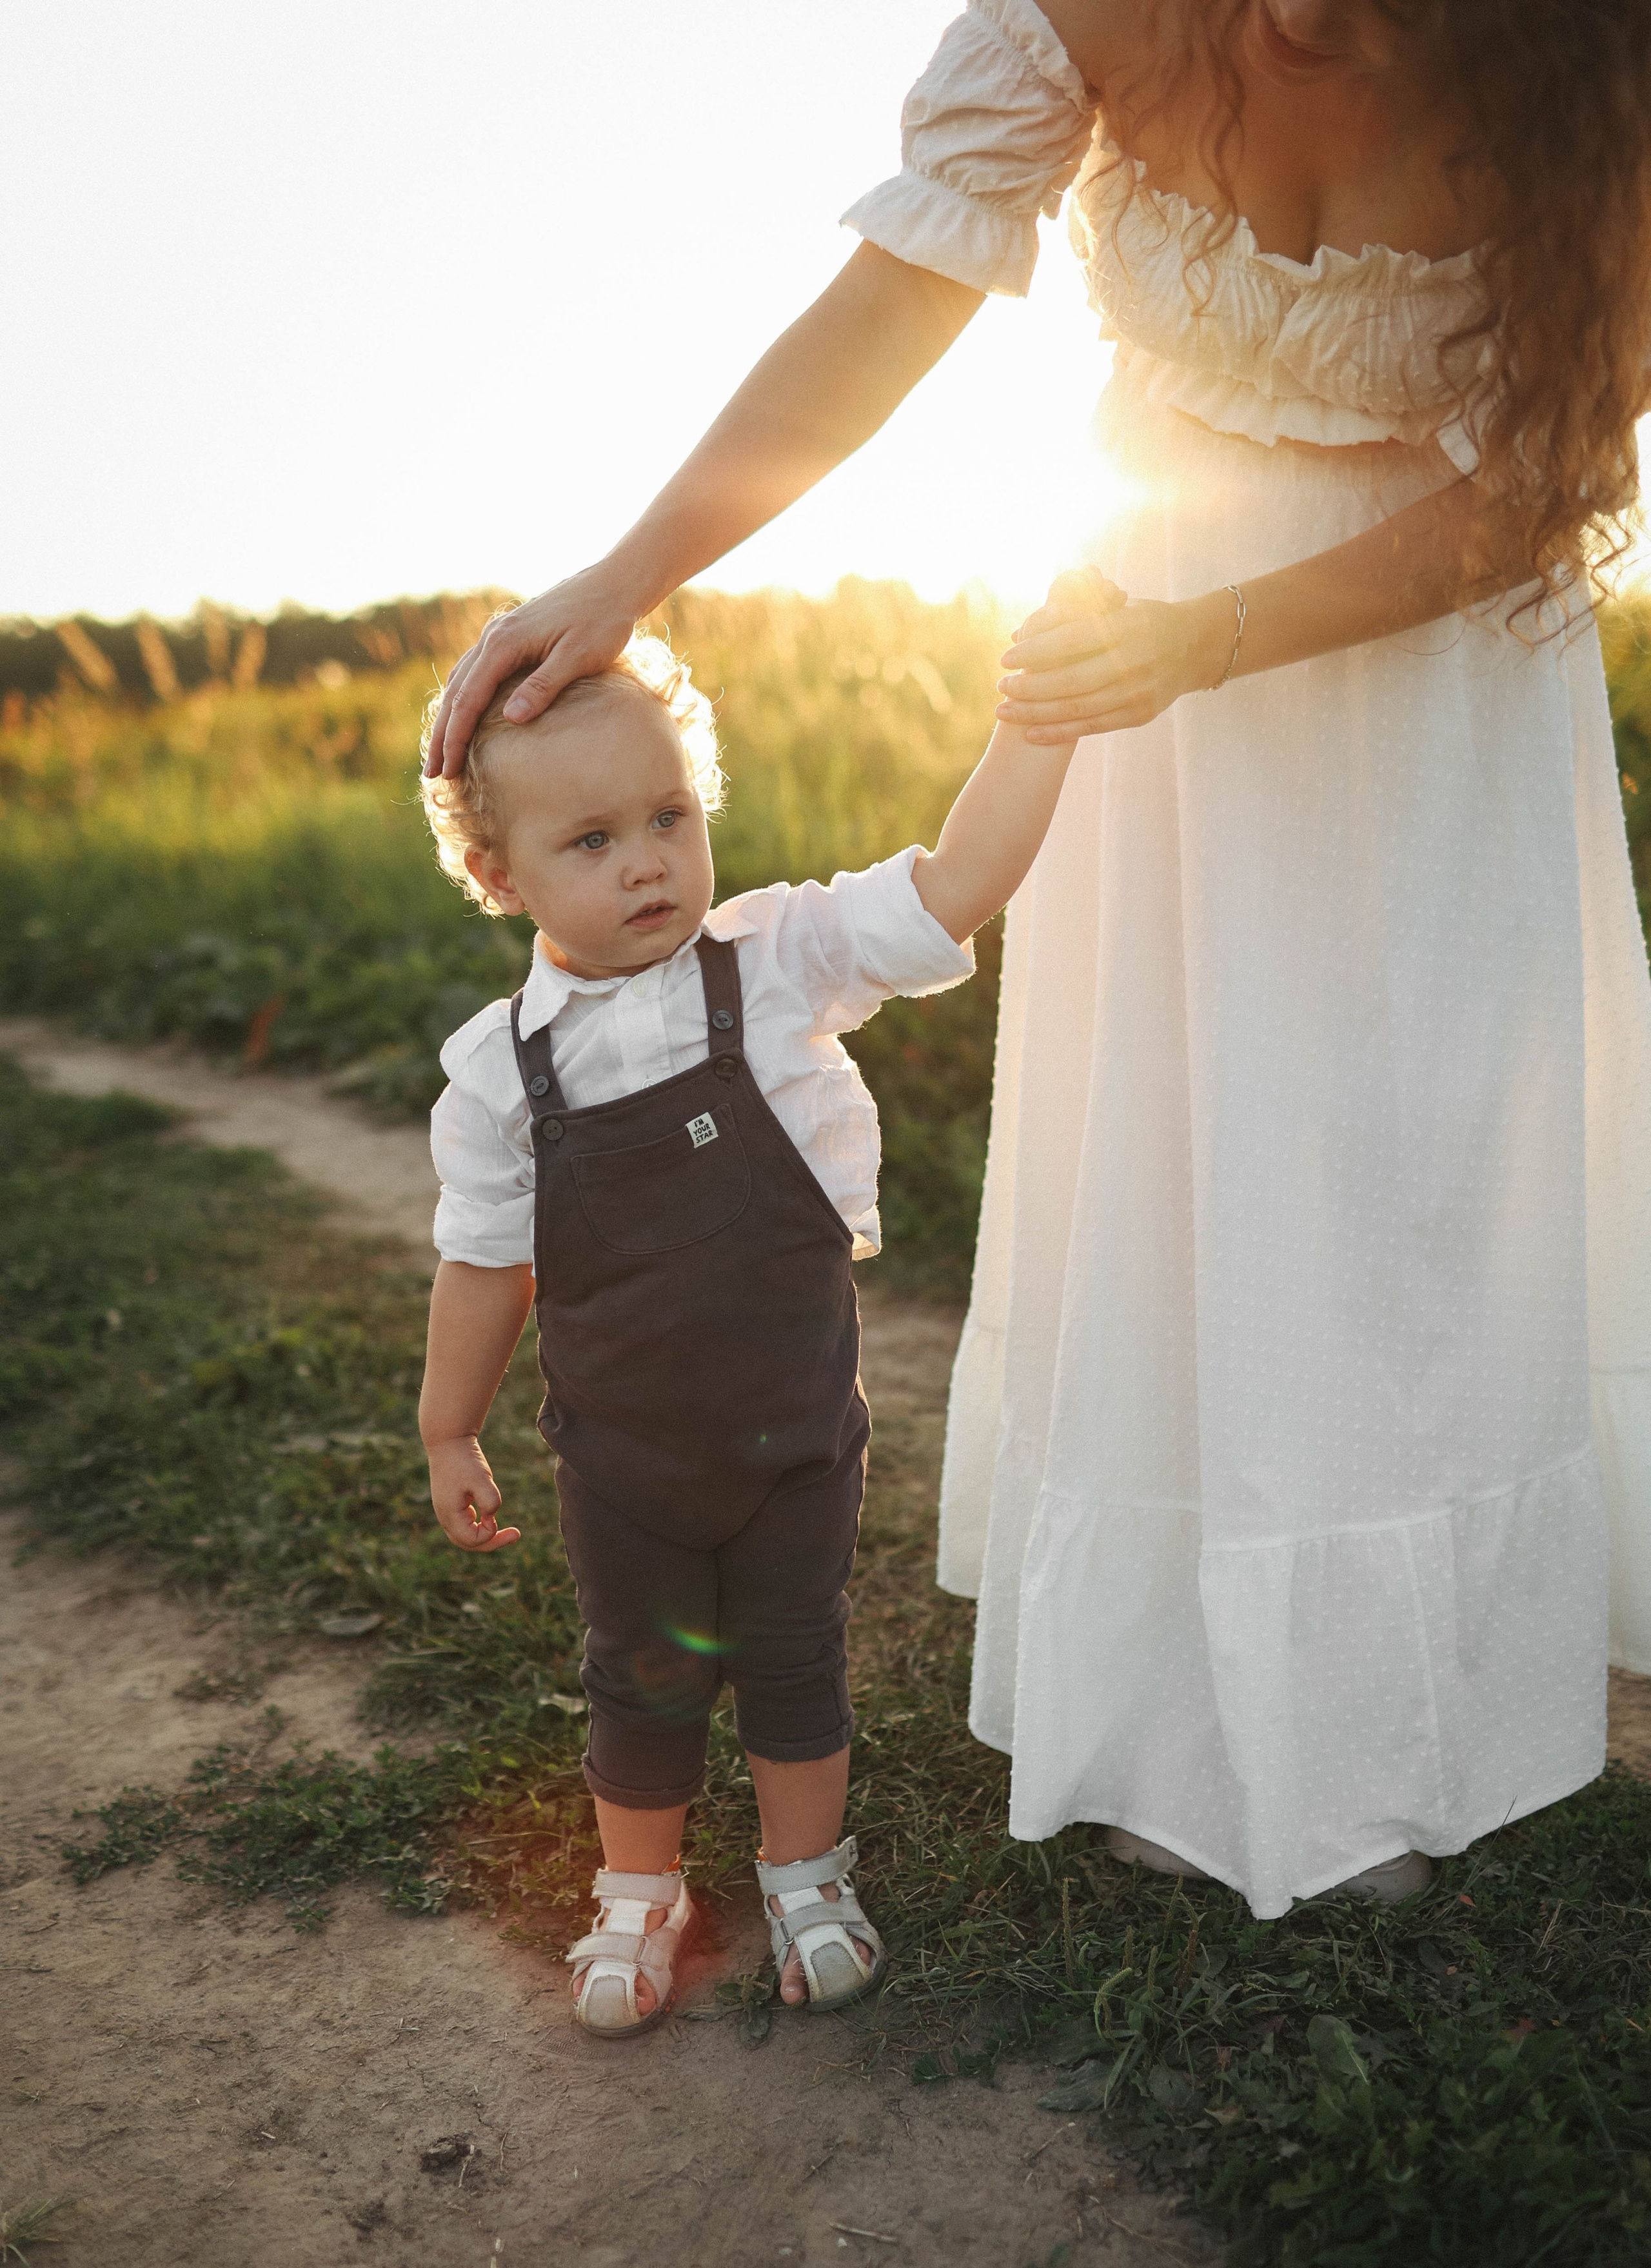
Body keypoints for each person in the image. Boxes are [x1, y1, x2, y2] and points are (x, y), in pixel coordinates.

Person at [424, 0, 1651, 1919]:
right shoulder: (1085, 13)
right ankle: (1183, 1704)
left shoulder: (1604, 68)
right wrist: (630, 572)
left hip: (1418, 676)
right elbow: (892, 306)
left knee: (1399, 1184)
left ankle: (1400, 1717)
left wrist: (1215, 640)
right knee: (1184, 1167)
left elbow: (1545, 486)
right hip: (1139, 660)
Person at [416, 628, 1074, 2033]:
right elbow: (483, 1265)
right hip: (624, 1457)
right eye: (590, 839)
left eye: (668, 817)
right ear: (498, 874)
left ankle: (805, 1874)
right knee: (638, 1675)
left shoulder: (771, 964)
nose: (647, 861)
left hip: (789, 1430)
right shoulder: (497, 1076)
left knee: (792, 1649)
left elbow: (953, 885)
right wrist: (446, 1421)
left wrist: (1041, 724)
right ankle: (639, 1893)